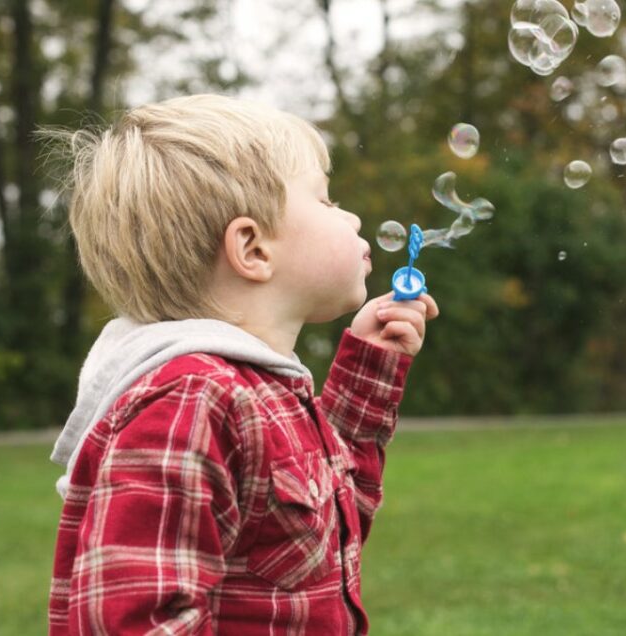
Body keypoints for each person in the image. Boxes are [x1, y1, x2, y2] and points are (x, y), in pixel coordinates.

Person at [45, 93, 439, 635]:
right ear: (252, 249)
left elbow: (323, 537)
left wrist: (370, 368)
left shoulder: (253, 393)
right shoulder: (190, 400)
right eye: (325, 201)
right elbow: (136, 620)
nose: (350, 215)